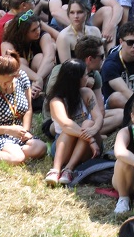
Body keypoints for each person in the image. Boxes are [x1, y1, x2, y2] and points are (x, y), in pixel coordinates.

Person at [44, 58, 104, 186]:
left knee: (88, 123)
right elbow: (66, 124)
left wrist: (94, 130)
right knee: (68, 130)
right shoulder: (56, 101)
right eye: (85, 75)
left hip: (88, 149)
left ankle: (69, 169)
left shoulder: (87, 93)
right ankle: (56, 170)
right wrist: (90, 139)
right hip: (64, 147)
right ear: (76, 79)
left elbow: (98, 116)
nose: (88, 78)